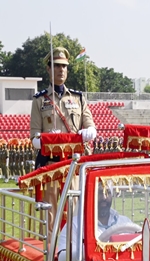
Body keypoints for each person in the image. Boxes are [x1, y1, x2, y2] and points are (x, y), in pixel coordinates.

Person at [30, 46, 97, 232]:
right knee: (49, 213)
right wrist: (47, 140)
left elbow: (90, 125)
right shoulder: (39, 101)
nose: (61, 70)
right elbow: (34, 137)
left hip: (73, 165)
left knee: (75, 211)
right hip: (51, 166)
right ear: (48, 69)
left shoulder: (78, 98)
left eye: (64, 66)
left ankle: (72, 252)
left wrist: (89, 132)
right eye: (57, 65)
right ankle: (51, 254)